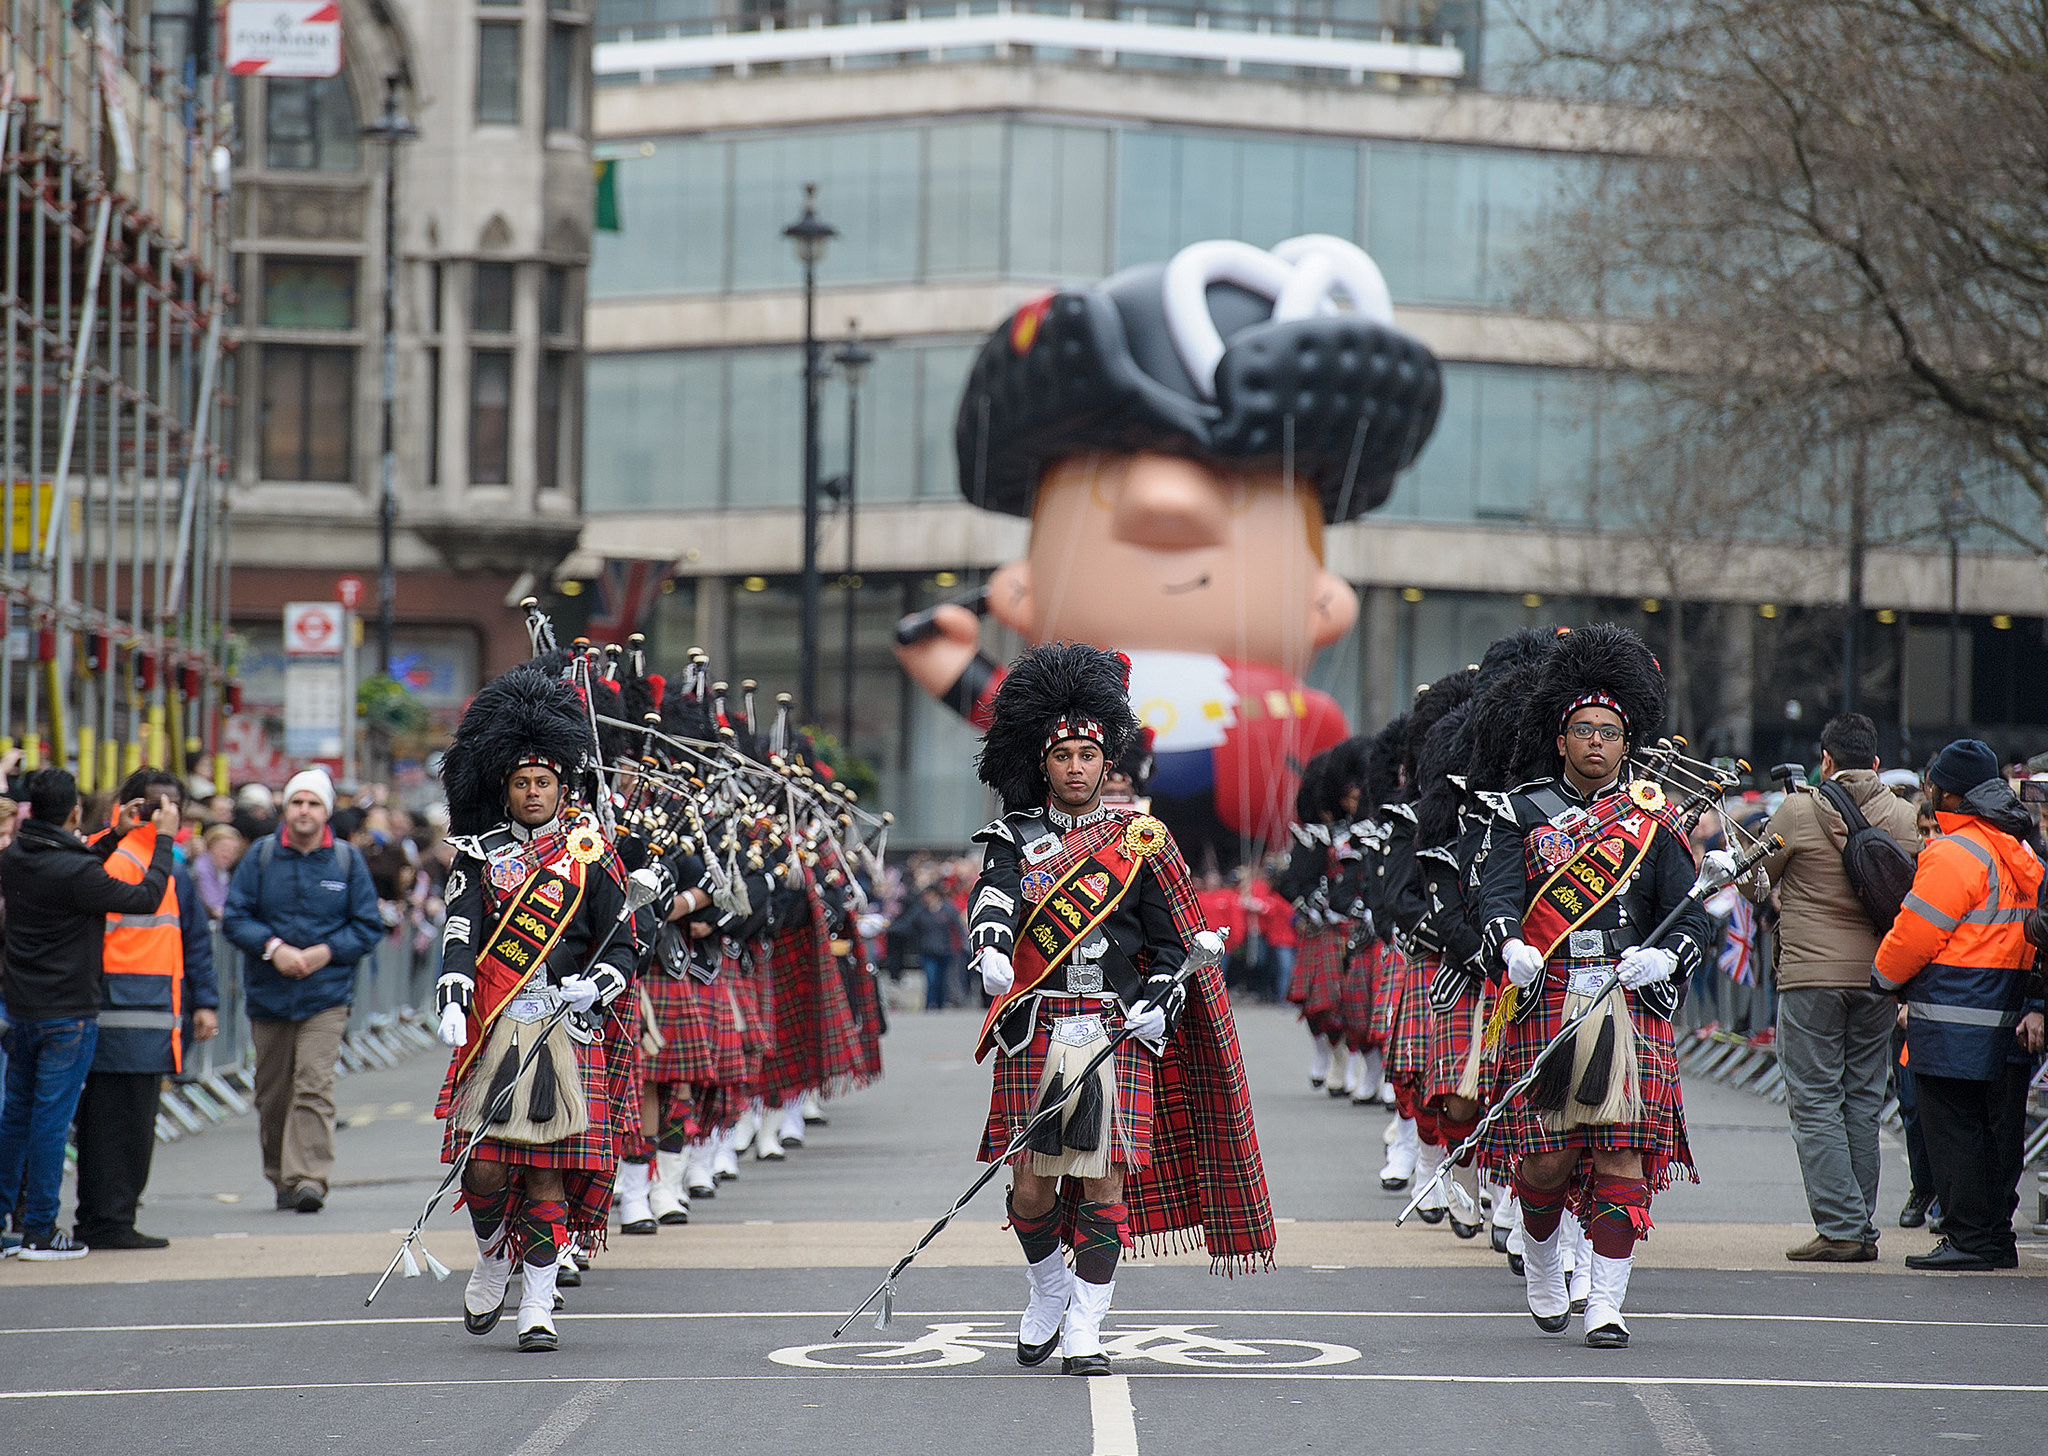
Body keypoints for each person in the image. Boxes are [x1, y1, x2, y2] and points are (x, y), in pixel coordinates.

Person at [966, 641, 1272, 1378]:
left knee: (1105, 1180)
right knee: (1031, 1187)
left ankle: (1087, 1326)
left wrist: (1162, 1002)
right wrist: (993, 946)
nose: (1076, 766)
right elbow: (996, 895)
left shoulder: (1142, 841)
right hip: (1037, 1028)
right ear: (1044, 762)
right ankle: (1047, 1288)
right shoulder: (1013, 836)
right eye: (1063, 753)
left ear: (1110, 763)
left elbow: (1173, 944)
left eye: (1087, 754)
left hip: (1113, 1027)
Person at [1476, 624, 1712, 1350]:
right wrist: (1510, 945)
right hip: (1548, 994)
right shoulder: (1520, 812)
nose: (1598, 743)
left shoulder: (1653, 818)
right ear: (1561, 737)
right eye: (1584, 730)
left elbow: (1692, 918)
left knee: (1622, 1158)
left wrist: (1666, 959)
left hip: (1624, 997)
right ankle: (1545, 1263)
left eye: (1610, 731)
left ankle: (1606, 1303)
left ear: (1626, 738)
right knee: (1545, 1162)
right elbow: (1493, 898)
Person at [432, 665, 639, 1352]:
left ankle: (539, 1305)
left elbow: (624, 941)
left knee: (549, 1168)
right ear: (506, 788)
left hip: (567, 1023)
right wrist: (455, 996)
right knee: (486, 1168)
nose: (530, 793)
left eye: (542, 782)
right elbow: (459, 931)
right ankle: (493, 1251)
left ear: (561, 785)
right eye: (520, 783)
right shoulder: (479, 855)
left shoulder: (590, 853)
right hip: (498, 1022)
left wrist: (597, 984)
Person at [1873, 739, 2045, 1271]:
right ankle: (1994, 1235)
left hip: (1952, 1016)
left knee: (1953, 1133)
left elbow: (1915, 934)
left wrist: (1882, 975)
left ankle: (1968, 1238)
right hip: (2006, 1013)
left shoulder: (1953, 852)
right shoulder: (2019, 849)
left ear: (1947, 792)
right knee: (1997, 1134)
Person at [1758, 712, 1924, 1263]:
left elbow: (1756, 874)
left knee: (1814, 1099)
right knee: (1862, 1098)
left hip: (1810, 978)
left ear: (1825, 760)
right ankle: (1860, 1223)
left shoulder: (1800, 808)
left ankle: (1842, 1227)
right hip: (1879, 975)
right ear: (1875, 763)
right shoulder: (1904, 815)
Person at [0, 769, 180, 1260]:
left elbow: (76, 874)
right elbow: (144, 896)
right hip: (69, 1013)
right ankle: (39, 1228)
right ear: (75, 812)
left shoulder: (13, 859)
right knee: (51, 1120)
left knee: (15, 1116)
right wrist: (163, 841)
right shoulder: (74, 871)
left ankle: (4, 1224)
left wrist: (117, 833)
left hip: (22, 1010)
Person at [222, 767, 383, 1215]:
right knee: (272, 1093)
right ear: (285, 808)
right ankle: (280, 1175)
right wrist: (273, 948)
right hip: (268, 995)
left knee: (313, 1085)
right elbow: (235, 917)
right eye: (297, 802)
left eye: (313, 803)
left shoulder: (347, 861)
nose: (304, 811)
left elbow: (368, 926)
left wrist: (325, 952)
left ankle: (308, 1177)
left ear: (326, 811)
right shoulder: (261, 856)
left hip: (326, 996)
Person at [72, 769, 220, 1250]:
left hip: (151, 1015)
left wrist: (206, 1002)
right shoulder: (119, 858)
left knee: (129, 1127)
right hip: (119, 1016)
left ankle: (111, 1217)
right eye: (161, 806)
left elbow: (192, 938)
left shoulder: (167, 864)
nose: (171, 815)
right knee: (113, 1128)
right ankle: (106, 1220)